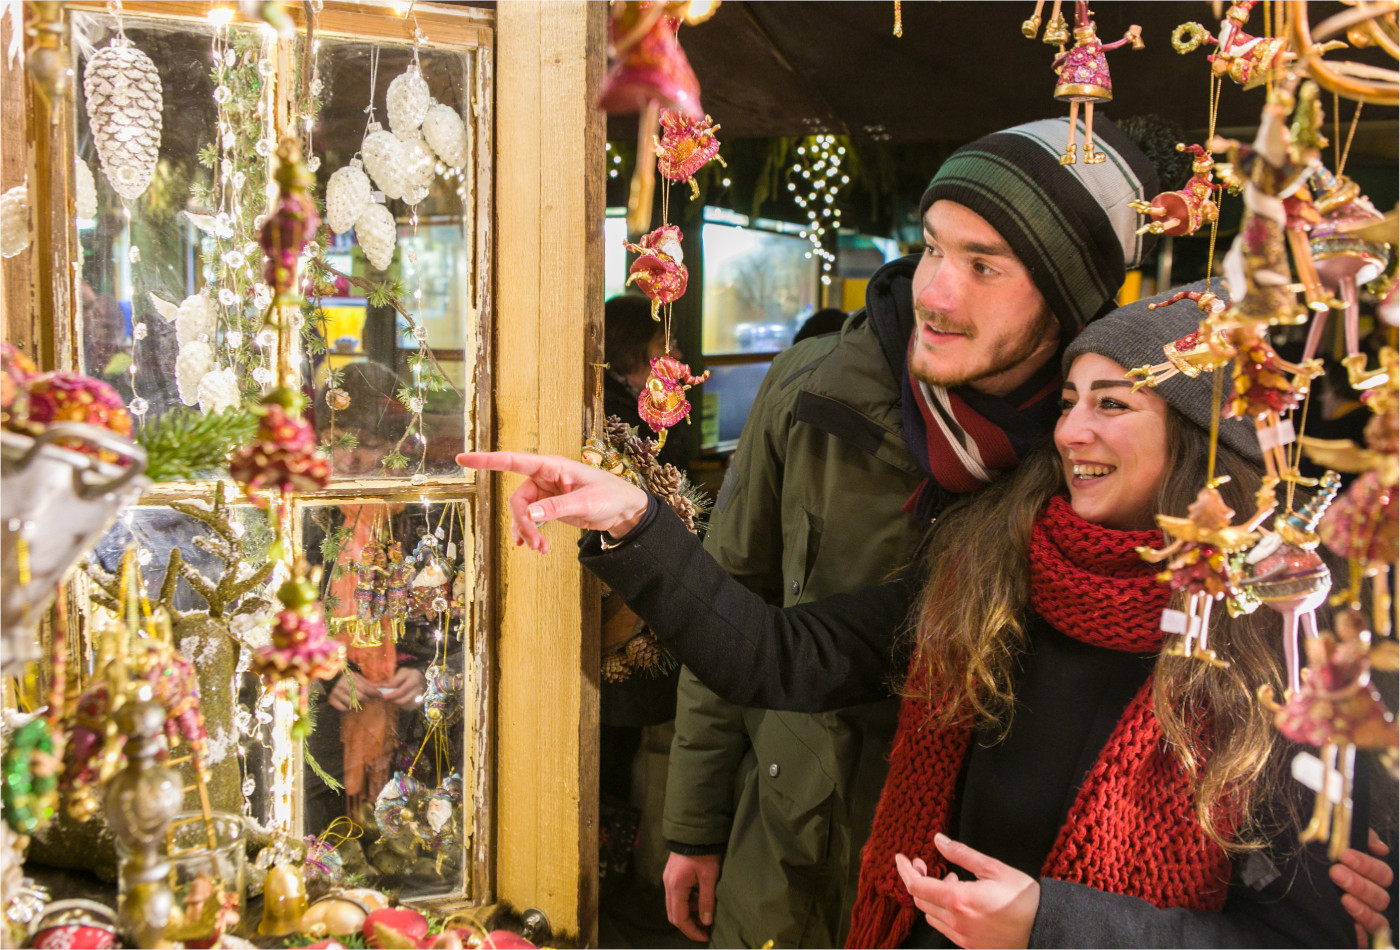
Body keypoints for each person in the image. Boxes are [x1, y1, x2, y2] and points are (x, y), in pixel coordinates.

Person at [461, 281, 1396, 947]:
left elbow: (1304, 935)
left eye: (1113, 404)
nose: (1072, 431)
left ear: (1201, 441)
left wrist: (1050, 930)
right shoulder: (989, 574)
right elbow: (779, 658)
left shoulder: (1289, 643)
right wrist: (635, 522)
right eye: (1070, 399)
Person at [663, 116, 1161, 948]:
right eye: (933, 248)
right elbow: (736, 601)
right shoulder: (816, 388)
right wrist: (695, 823)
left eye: (983, 266)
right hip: (785, 841)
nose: (934, 291)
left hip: (971, 878)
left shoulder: (1099, 448)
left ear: (1063, 299)